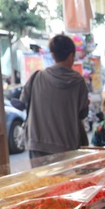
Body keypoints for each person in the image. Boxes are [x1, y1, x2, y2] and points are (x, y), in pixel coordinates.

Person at [19, 34, 90, 163]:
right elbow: (83, 113)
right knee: (66, 183)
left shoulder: (36, 77)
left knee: (43, 183)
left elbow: (22, 102)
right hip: (68, 145)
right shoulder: (78, 81)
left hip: (38, 145)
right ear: (70, 56)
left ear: (52, 55)